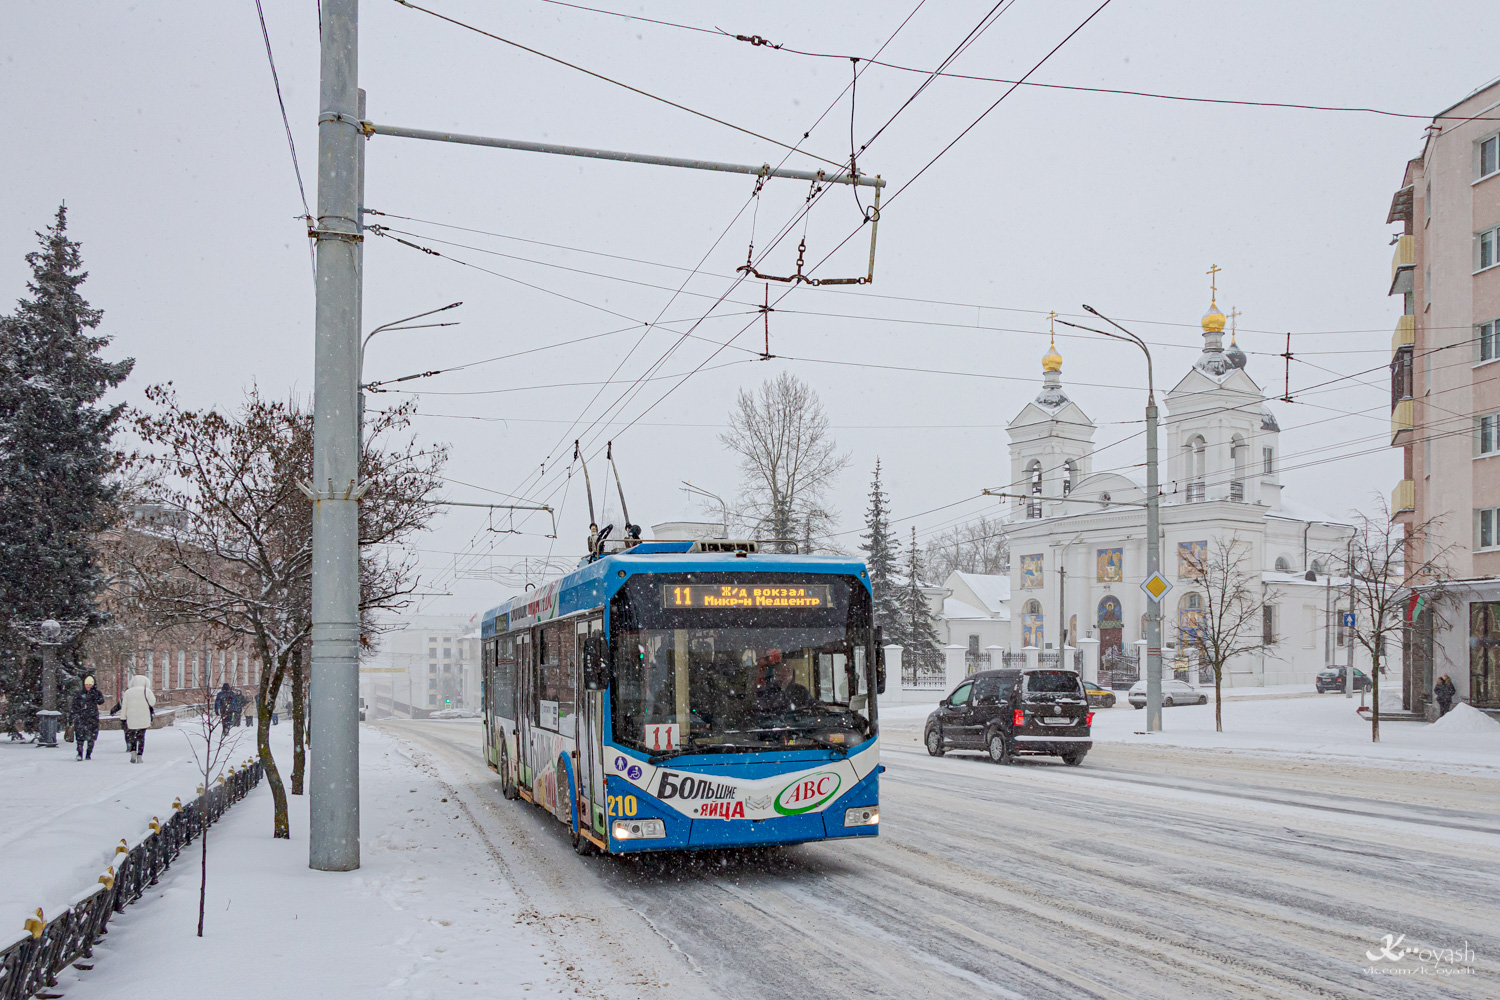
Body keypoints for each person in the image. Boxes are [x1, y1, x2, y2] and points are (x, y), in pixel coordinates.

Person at [120, 672, 156, 763]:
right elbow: (152, 702)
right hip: (144, 718)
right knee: (141, 737)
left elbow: (124, 706)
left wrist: (123, 718)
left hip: (131, 718)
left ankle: (133, 752)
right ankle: (140, 756)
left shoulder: (128, 692)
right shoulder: (147, 691)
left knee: (132, 736)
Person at [69, 676, 105, 761]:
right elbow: (74, 706)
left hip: (92, 718)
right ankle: (79, 753)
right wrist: (72, 717)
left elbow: (101, 701)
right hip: (81, 718)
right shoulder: (79, 694)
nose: (88, 686)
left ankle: (88, 753)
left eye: (90, 684)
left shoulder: (96, 693)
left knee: (91, 738)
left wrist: (95, 694)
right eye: (87, 684)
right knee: (80, 737)